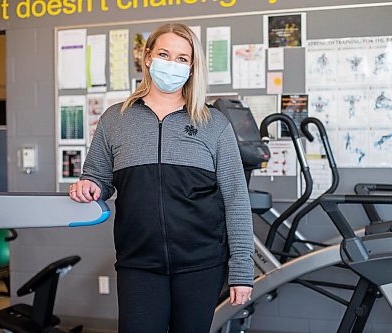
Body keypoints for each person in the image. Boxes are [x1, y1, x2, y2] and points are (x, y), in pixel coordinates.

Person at [68, 23, 254, 333]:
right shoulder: (116, 119)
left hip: (201, 264)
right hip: (138, 263)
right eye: (165, 54)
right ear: (149, 58)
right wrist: (90, 185)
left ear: (192, 67)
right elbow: (97, 176)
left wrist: (242, 271)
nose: (172, 63)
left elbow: (235, 198)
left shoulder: (213, 124)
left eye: (182, 58)